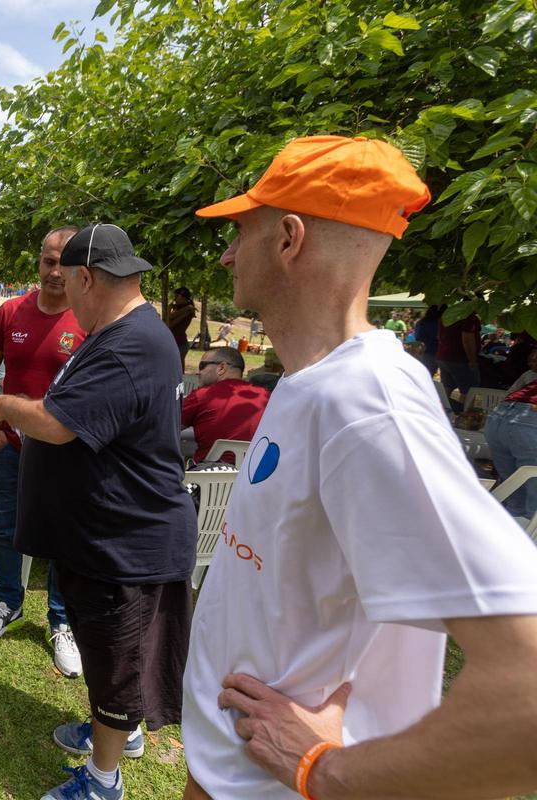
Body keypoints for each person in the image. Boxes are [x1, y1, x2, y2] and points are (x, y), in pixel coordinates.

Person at [184, 135, 537, 800]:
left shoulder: (368, 400)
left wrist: (328, 772)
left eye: (241, 230)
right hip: (232, 771)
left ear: (289, 238)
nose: (228, 252)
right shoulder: (312, 384)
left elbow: (528, 692)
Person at [0, 223, 197, 800]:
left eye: (69, 283)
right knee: (109, 657)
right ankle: (116, 732)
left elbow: (56, 425)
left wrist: (6, 402)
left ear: (86, 278)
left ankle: (104, 780)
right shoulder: (121, 331)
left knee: (117, 660)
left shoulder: (130, 343)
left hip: (124, 543)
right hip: (102, 535)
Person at [0, 225, 85, 678]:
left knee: (63, 537)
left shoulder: (88, 317)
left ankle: (60, 620)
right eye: (48, 261)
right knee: (6, 528)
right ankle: (8, 602)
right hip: (13, 449)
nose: (55, 272)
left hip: (66, 453)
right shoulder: (10, 313)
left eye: (65, 263)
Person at [181, 347, 269, 465]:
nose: (198, 371)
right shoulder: (267, 397)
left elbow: (166, 428)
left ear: (221, 368)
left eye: (202, 366)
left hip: (206, 478)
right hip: (253, 476)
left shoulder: (203, 395)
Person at [485, 349, 537, 519]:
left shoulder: (530, 379)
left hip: (498, 417)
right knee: (533, 503)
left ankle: (512, 540)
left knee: (515, 493)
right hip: (527, 421)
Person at [437, 308, 481, 410]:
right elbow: (467, 339)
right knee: (469, 391)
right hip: (459, 359)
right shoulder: (470, 318)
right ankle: (464, 417)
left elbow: (438, 336)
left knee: (446, 388)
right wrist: (472, 360)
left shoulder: (448, 315)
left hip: (443, 356)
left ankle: (441, 413)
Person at [165, 286, 196, 366]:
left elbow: (170, 324)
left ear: (183, 298)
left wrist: (168, 309)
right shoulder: (182, 308)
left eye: (176, 297)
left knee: (178, 370)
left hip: (180, 344)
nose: (174, 299)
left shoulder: (188, 310)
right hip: (176, 343)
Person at [412, 304, 441, 375]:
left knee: (425, 374)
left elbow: (417, 337)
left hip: (422, 351)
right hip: (434, 351)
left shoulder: (420, 323)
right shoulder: (439, 323)